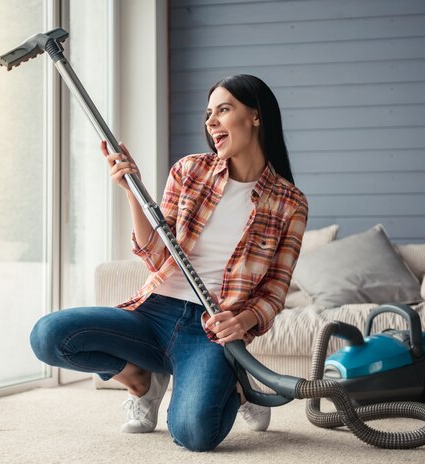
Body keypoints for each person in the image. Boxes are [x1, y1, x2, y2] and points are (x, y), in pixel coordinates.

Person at [29, 74, 308, 452]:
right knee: (48, 335)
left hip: (210, 330)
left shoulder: (290, 202)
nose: (210, 122)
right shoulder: (189, 171)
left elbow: (276, 290)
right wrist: (132, 191)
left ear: (256, 117)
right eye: (208, 113)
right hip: (154, 313)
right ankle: (141, 380)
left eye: (223, 110)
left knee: (195, 435)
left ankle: (239, 387)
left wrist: (242, 322)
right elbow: (156, 255)